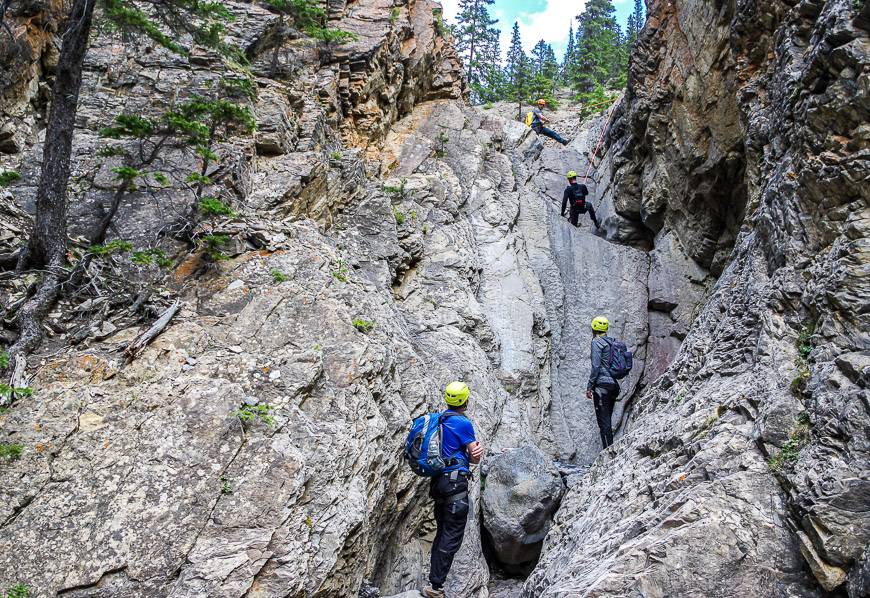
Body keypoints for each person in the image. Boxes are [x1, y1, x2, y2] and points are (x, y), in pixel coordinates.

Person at [424, 381, 484, 598]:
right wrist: (475, 455)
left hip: (438, 483)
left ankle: (434, 582)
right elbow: (474, 456)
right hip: (455, 483)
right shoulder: (463, 423)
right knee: (452, 535)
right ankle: (436, 587)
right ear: (465, 400)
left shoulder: (439, 420)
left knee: (442, 533)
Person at [586, 316, 620, 449]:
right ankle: (610, 451)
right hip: (613, 386)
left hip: (601, 387)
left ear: (594, 328)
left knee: (603, 422)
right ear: (606, 328)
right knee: (608, 420)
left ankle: (608, 454)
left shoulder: (596, 342)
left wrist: (589, 387)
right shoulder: (612, 342)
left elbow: (595, 366)